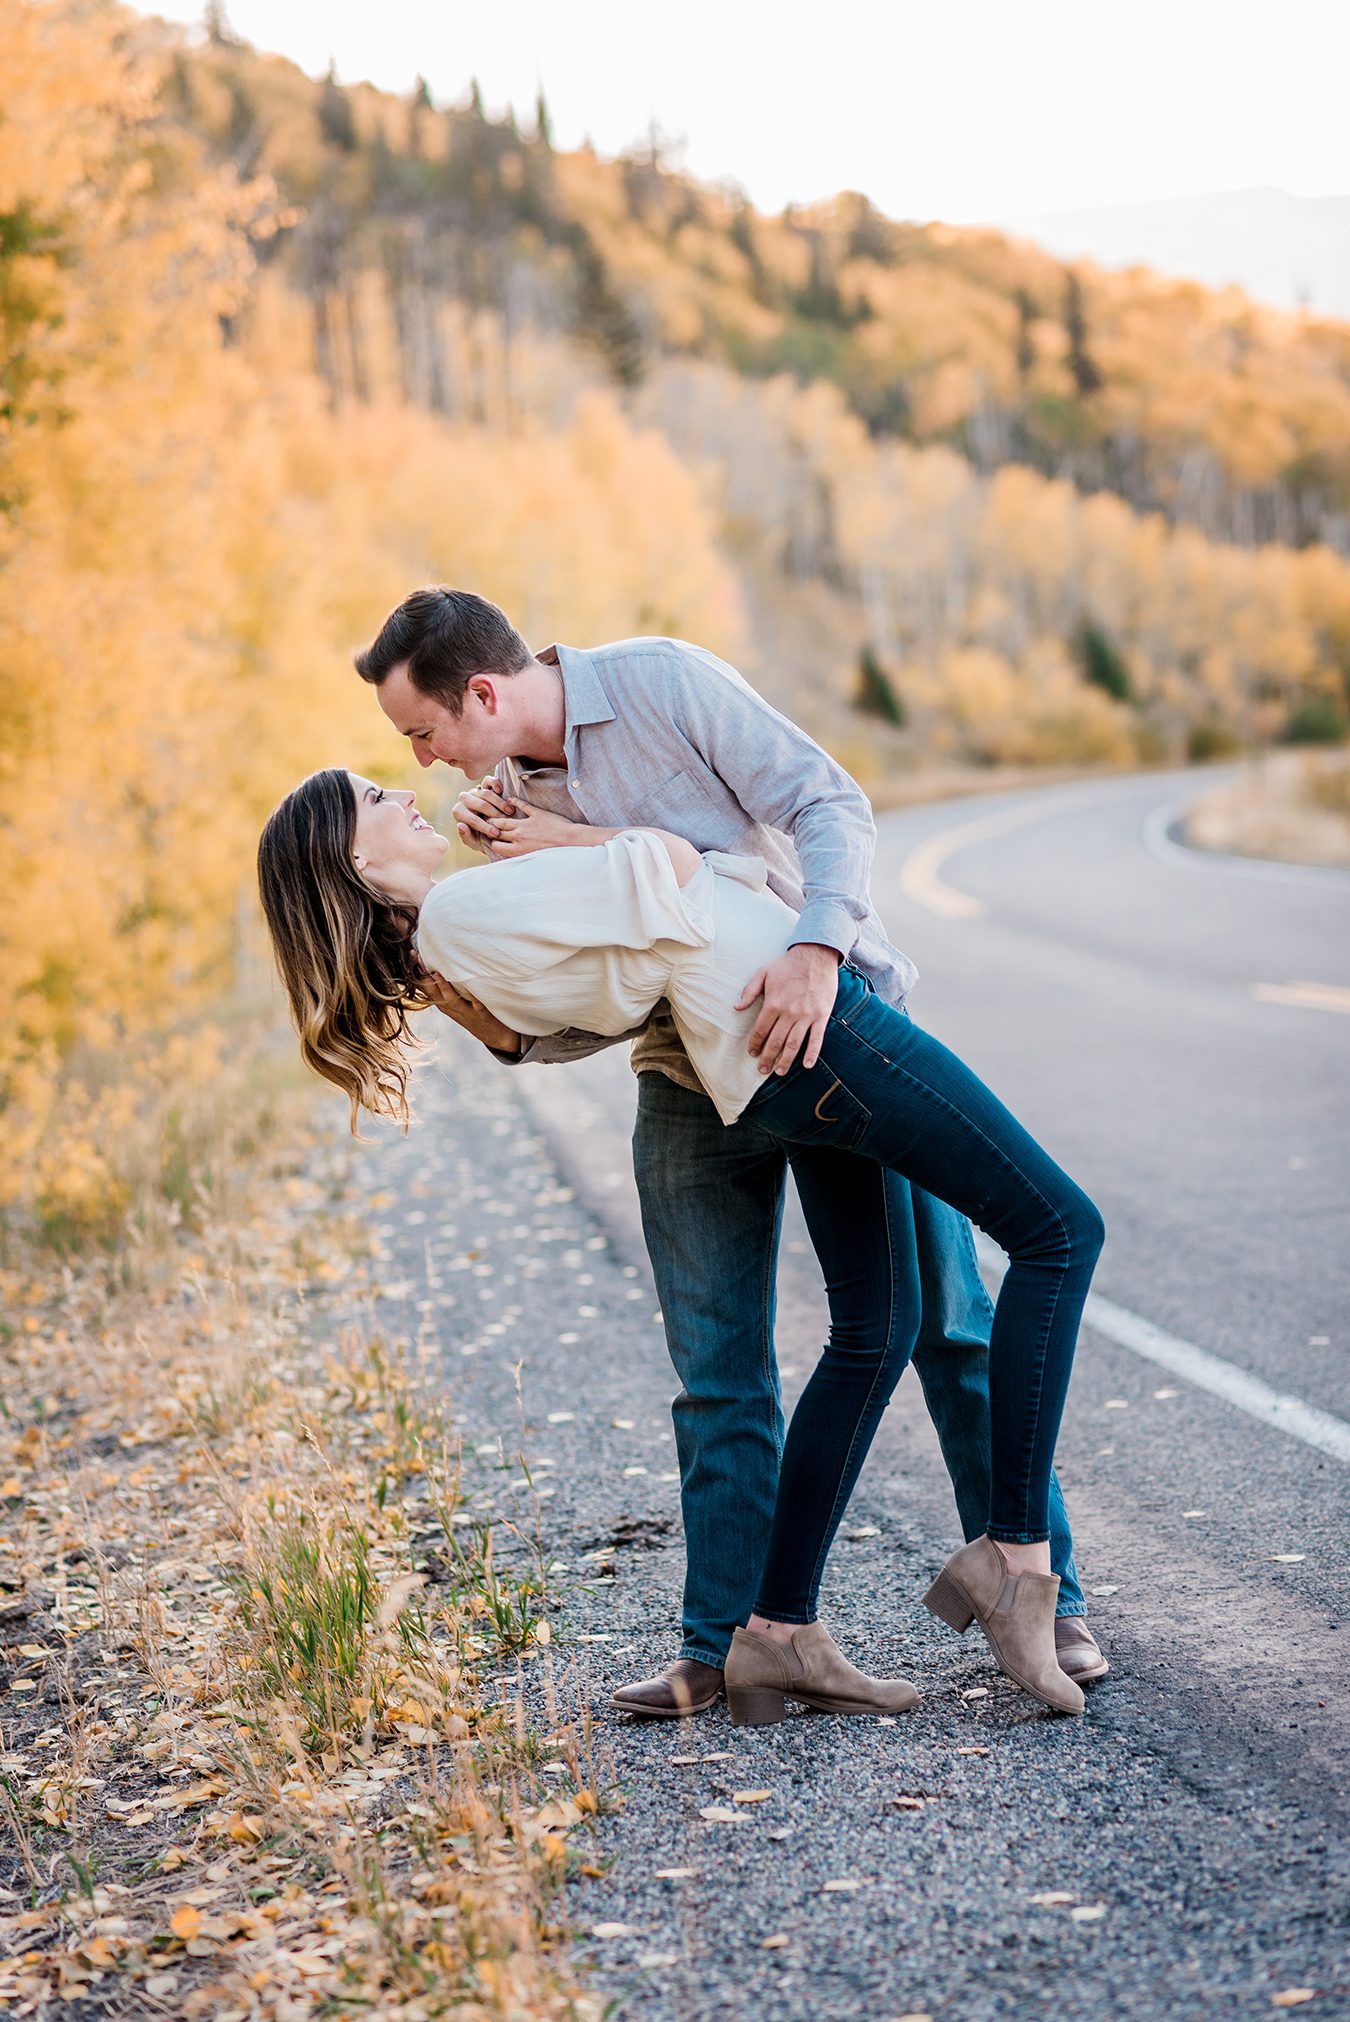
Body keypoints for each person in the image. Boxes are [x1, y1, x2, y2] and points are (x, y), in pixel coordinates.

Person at [345, 590, 1109, 1712]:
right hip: (690, 1074)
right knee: (722, 1369)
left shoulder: (660, 682)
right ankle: (734, 1647)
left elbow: (824, 804)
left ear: (485, 694)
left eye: (422, 734)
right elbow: (588, 1009)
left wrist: (815, 944)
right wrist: (479, 1009)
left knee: (946, 1321)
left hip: (819, 1007)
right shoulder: (496, 812)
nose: (424, 763)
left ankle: (1054, 1594)